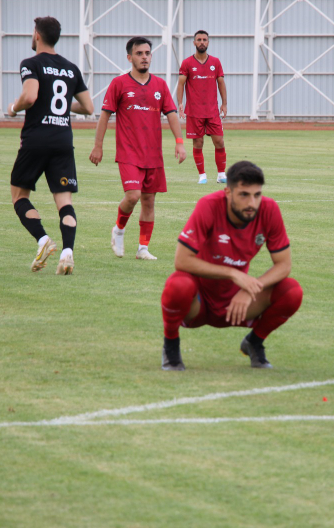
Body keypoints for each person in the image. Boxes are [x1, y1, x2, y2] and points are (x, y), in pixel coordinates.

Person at [160, 161, 303, 371]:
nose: (252, 203)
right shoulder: (208, 205)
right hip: (199, 303)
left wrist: (251, 288)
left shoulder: (269, 209)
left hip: (237, 305)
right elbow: (181, 261)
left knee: (292, 291)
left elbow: (284, 265)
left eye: (257, 195)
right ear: (228, 192)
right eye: (244, 194)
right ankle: (170, 344)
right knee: (177, 284)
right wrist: (233, 274)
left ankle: (254, 342)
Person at [6, 16, 94, 275]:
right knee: (64, 201)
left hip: (36, 139)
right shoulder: (71, 68)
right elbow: (88, 107)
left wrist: (13, 108)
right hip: (63, 140)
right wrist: (63, 105)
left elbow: (30, 96)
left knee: (19, 196)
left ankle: (44, 241)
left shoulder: (30, 63)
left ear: (37, 35)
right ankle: (68, 252)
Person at [90, 37, 187, 261]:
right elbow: (105, 115)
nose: (144, 57)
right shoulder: (119, 84)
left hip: (153, 154)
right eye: (139, 53)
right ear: (130, 57)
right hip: (128, 153)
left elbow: (171, 114)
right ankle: (119, 229)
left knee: (149, 201)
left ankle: (143, 248)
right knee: (133, 196)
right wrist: (98, 146)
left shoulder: (160, 85)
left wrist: (179, 143)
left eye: (147, 53)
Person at [176, 30, 228, 185]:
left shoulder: (215, 62)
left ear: (208, 42)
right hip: (194, 112)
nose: (202, 42)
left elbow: (221, 83)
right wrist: (180, 103)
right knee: (198, 143)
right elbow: (181, 84)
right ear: (194, 43)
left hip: (212, 111)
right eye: (199, 40)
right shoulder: (187, 63)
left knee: (219, 141)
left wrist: (224, 103)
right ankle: (202, 175)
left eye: (204, 40)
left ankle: (221, 174)